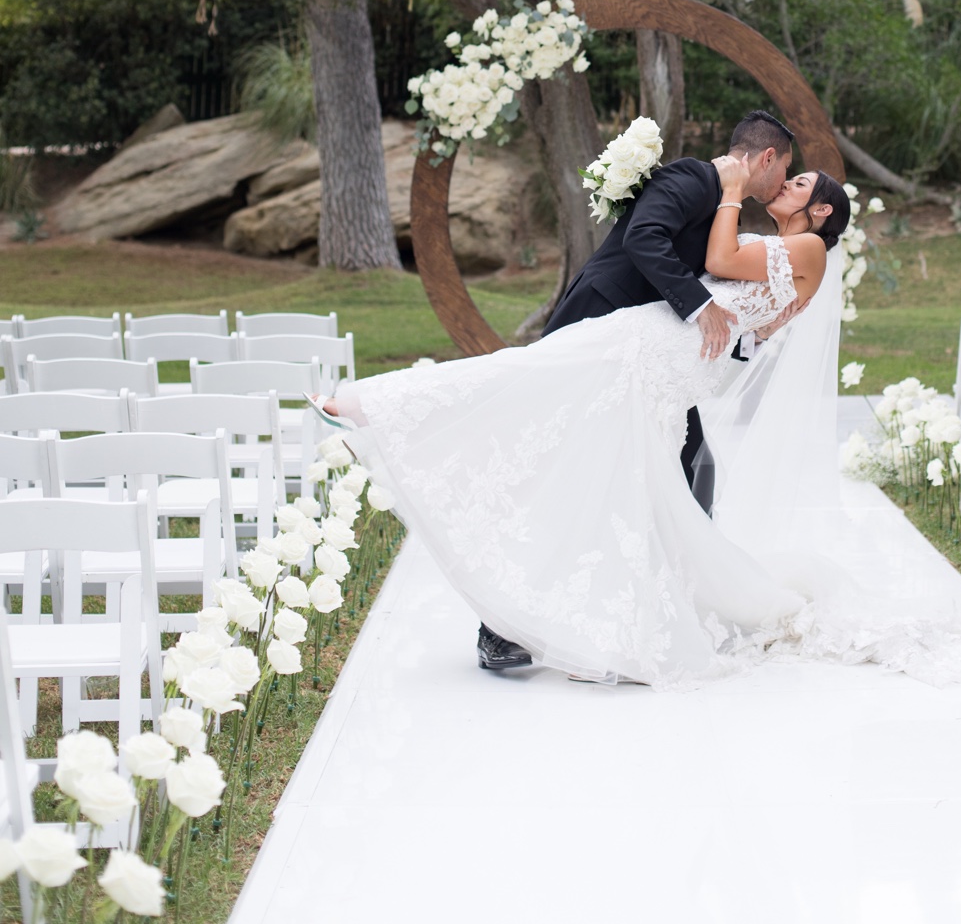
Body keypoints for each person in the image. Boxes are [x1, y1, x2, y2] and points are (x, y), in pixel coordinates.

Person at [312, 129, 856, 690]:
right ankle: (373, 409)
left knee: (620, 475)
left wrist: (731, 207)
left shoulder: (794, 242)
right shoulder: (696, 182)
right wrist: (722, 307)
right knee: (537, 412)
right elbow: (692, 268)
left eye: (798, 182)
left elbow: (725, 274)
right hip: (642, 341)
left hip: (658, 356)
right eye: (788, 172)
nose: (786, 182)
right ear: (765, 156)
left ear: (817, 211)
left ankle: (615, 621)